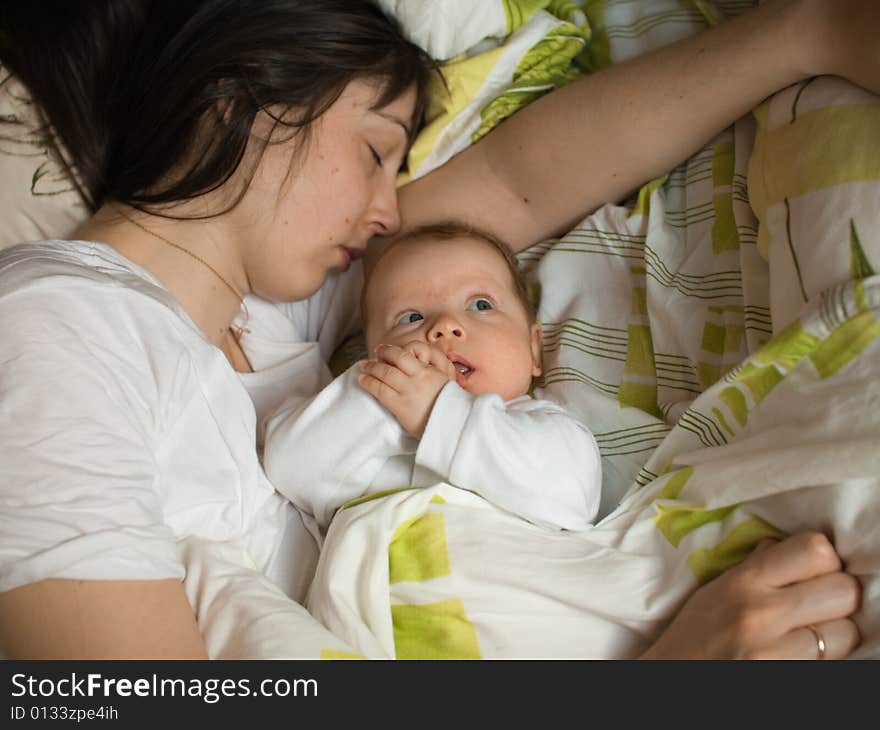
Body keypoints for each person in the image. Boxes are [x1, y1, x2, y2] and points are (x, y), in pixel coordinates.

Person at [0, 0, 874, 659]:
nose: (388, 209)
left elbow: (517, 183)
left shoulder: (274, 309)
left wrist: (803, 34)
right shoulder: (53, 331)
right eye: (378, 152)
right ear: (244, 110)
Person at [263, 223, 602, 536]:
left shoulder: (547, 431)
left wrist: (440, 413)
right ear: (370, 354)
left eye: (481, 305)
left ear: (533, 349)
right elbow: (288, 471)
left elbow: (573, 496)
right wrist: (380, 390)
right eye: (410, 317)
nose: (443, 325)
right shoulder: (361, 432)